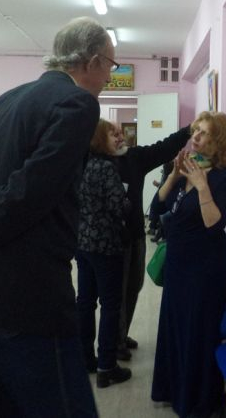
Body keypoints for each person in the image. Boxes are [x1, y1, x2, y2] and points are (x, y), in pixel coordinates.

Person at [0, 16, 116, 417]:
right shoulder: (78, 103)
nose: (108, 77)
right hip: (29, 302)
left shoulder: (3, 102)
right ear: (93, 62)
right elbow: (27, 195)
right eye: (111, 66)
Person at [152, 111, 226, 418]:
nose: (195, 137)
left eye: (203, 133)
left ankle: (196, 401)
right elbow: (157, 208)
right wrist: (174, 175)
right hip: (178, 263)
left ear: (218, 141)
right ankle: (172, 389)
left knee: (197, 332)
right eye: (195, 131)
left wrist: (202, 187)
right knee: (175, 327)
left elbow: (214, 224)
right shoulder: (188, 167)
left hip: (203, 269)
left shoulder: (225, 178)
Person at [111, 124, 190, 359]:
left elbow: (163, 148)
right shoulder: (94, 162)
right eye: (113, 134)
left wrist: (188, 131)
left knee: (133, 286)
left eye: (121, 133)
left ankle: (121, 334)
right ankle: (113, 343)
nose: (121, 138)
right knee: (116, 292)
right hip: (112, 241)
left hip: (135, 235)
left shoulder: (134, 157)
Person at [76, 119, 131, 388]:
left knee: (85, 302)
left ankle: (86, 358)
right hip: (106, 245)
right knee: (110, 305)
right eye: (113, 134)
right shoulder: (107, 168)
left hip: (83, 243)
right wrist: (128, 200)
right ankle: (106, 367)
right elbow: (119, 206)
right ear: (99, 139)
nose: (119, 138)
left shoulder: (82, 164)